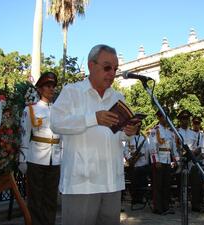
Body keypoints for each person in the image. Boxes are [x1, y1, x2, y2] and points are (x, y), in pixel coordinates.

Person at [50, 44, 140, 225]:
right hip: (81, 183)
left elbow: (120, 135)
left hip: (112, 182)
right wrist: (93, 119)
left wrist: (129, 132)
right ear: (91, 65)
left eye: (115, 69)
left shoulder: (118, 97)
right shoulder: (72, 92)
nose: (112, 73)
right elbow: (56, 123)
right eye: (107, 67)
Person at [19, 71, 62, 225]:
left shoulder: (59, 110)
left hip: (55, 159)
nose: (51, 89)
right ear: (39, 89)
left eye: (53, 86)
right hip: (36, 159)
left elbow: (62, 136)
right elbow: (24, 135)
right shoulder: (30, 109)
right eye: (47, 86)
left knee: (51, 199)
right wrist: (22, 160)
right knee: (35, 199)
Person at [176, 110, 204, 212]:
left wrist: (194, 152)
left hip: (192, 160)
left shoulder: (194, 133)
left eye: (187, 119)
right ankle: (181, 202)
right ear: (180, 120)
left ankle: (195, 204)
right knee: (181, 183)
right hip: (181, 160)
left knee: (195, 183)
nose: (185, 121)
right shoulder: (176, 132)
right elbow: (174, 147)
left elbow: (199, 146)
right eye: (183, 119)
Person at [151, 110, 178, 215]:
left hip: (167, 160)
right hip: (159, 160)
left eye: (167, 117)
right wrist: (156, 160)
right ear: (159, 118)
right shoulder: (155, 130)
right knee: (158, 185)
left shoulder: (170, 132)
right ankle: (158, 208)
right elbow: (152, 147)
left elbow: (173, 148)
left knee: (167, 185)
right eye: (163, 117)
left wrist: (176, 159)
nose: (165, 119)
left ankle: (165, 207)